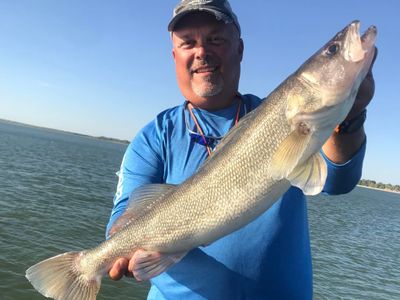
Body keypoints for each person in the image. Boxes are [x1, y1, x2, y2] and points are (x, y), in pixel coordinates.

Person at [106, 0, 377, 299]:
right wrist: (118, 246)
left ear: (240, 48)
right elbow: (124, 215)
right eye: (188, 43)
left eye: (216, 39)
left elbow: (337, 181)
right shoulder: (153, 137)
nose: (201, 52)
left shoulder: (282, 117)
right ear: (174, 56)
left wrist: (351, 116)